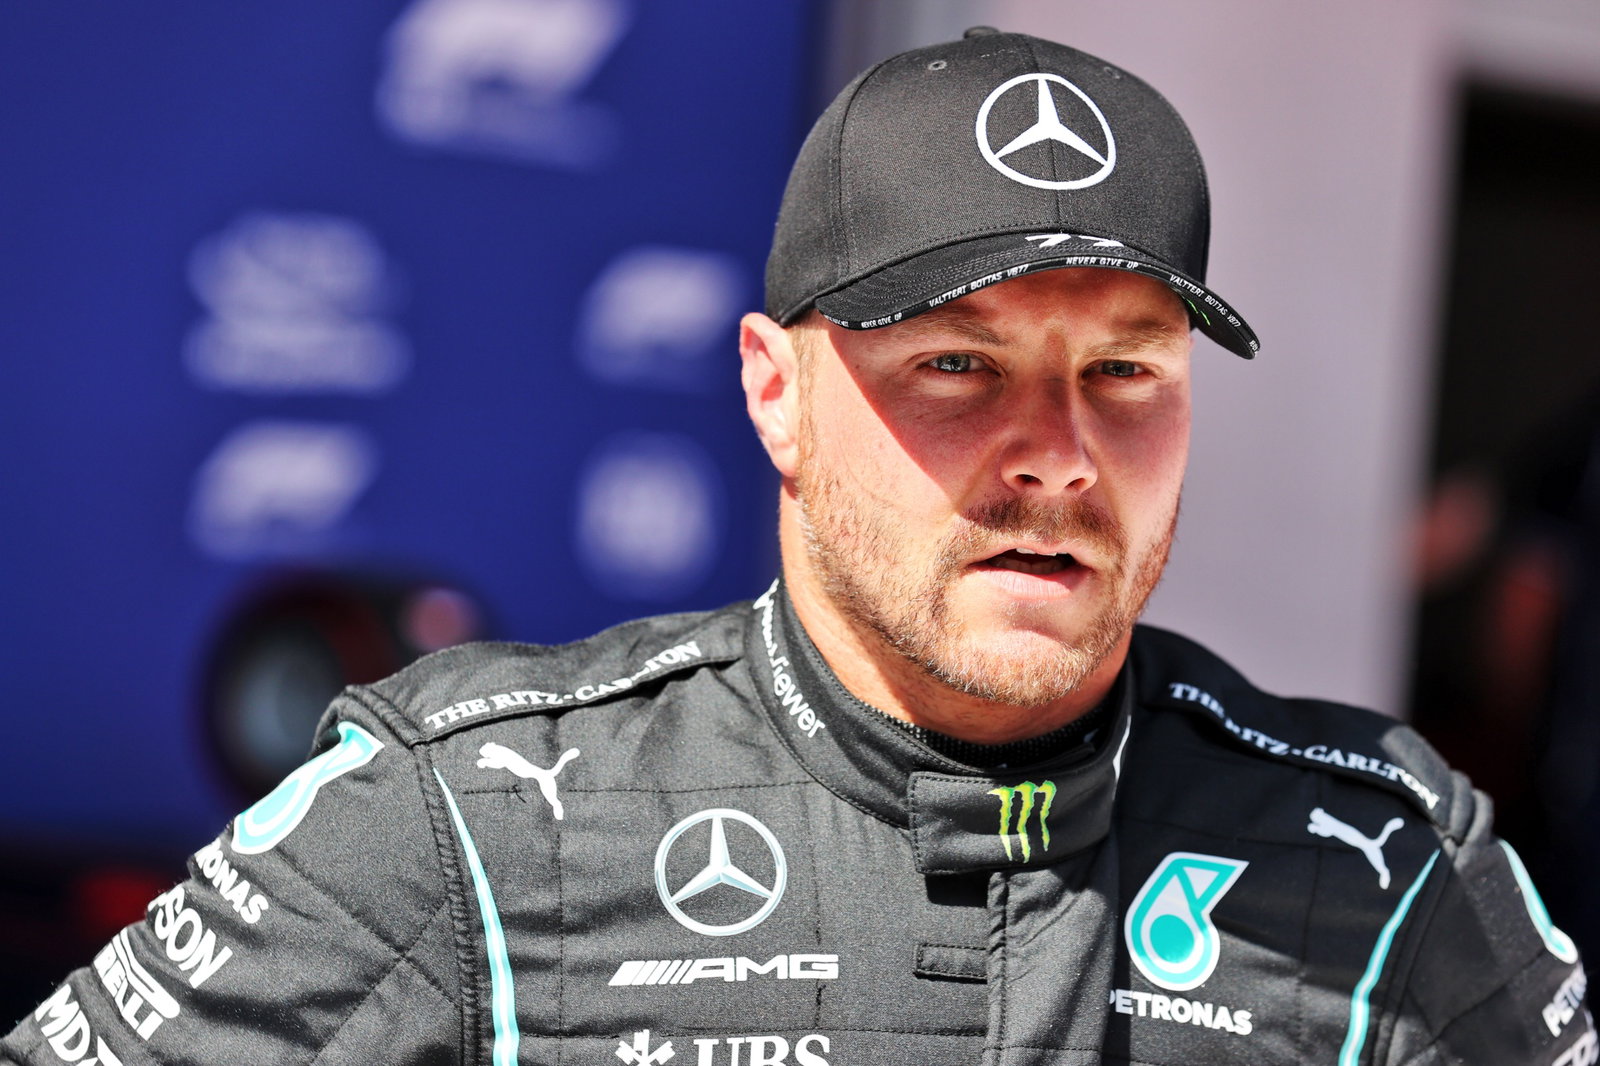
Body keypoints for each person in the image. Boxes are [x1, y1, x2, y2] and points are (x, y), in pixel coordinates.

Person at [4, 28, 1589, 1066]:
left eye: (1124, 372)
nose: (1059, 450)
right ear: (776, 391)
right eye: (958, 366)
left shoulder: (1383, 861)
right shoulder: (476, 817)